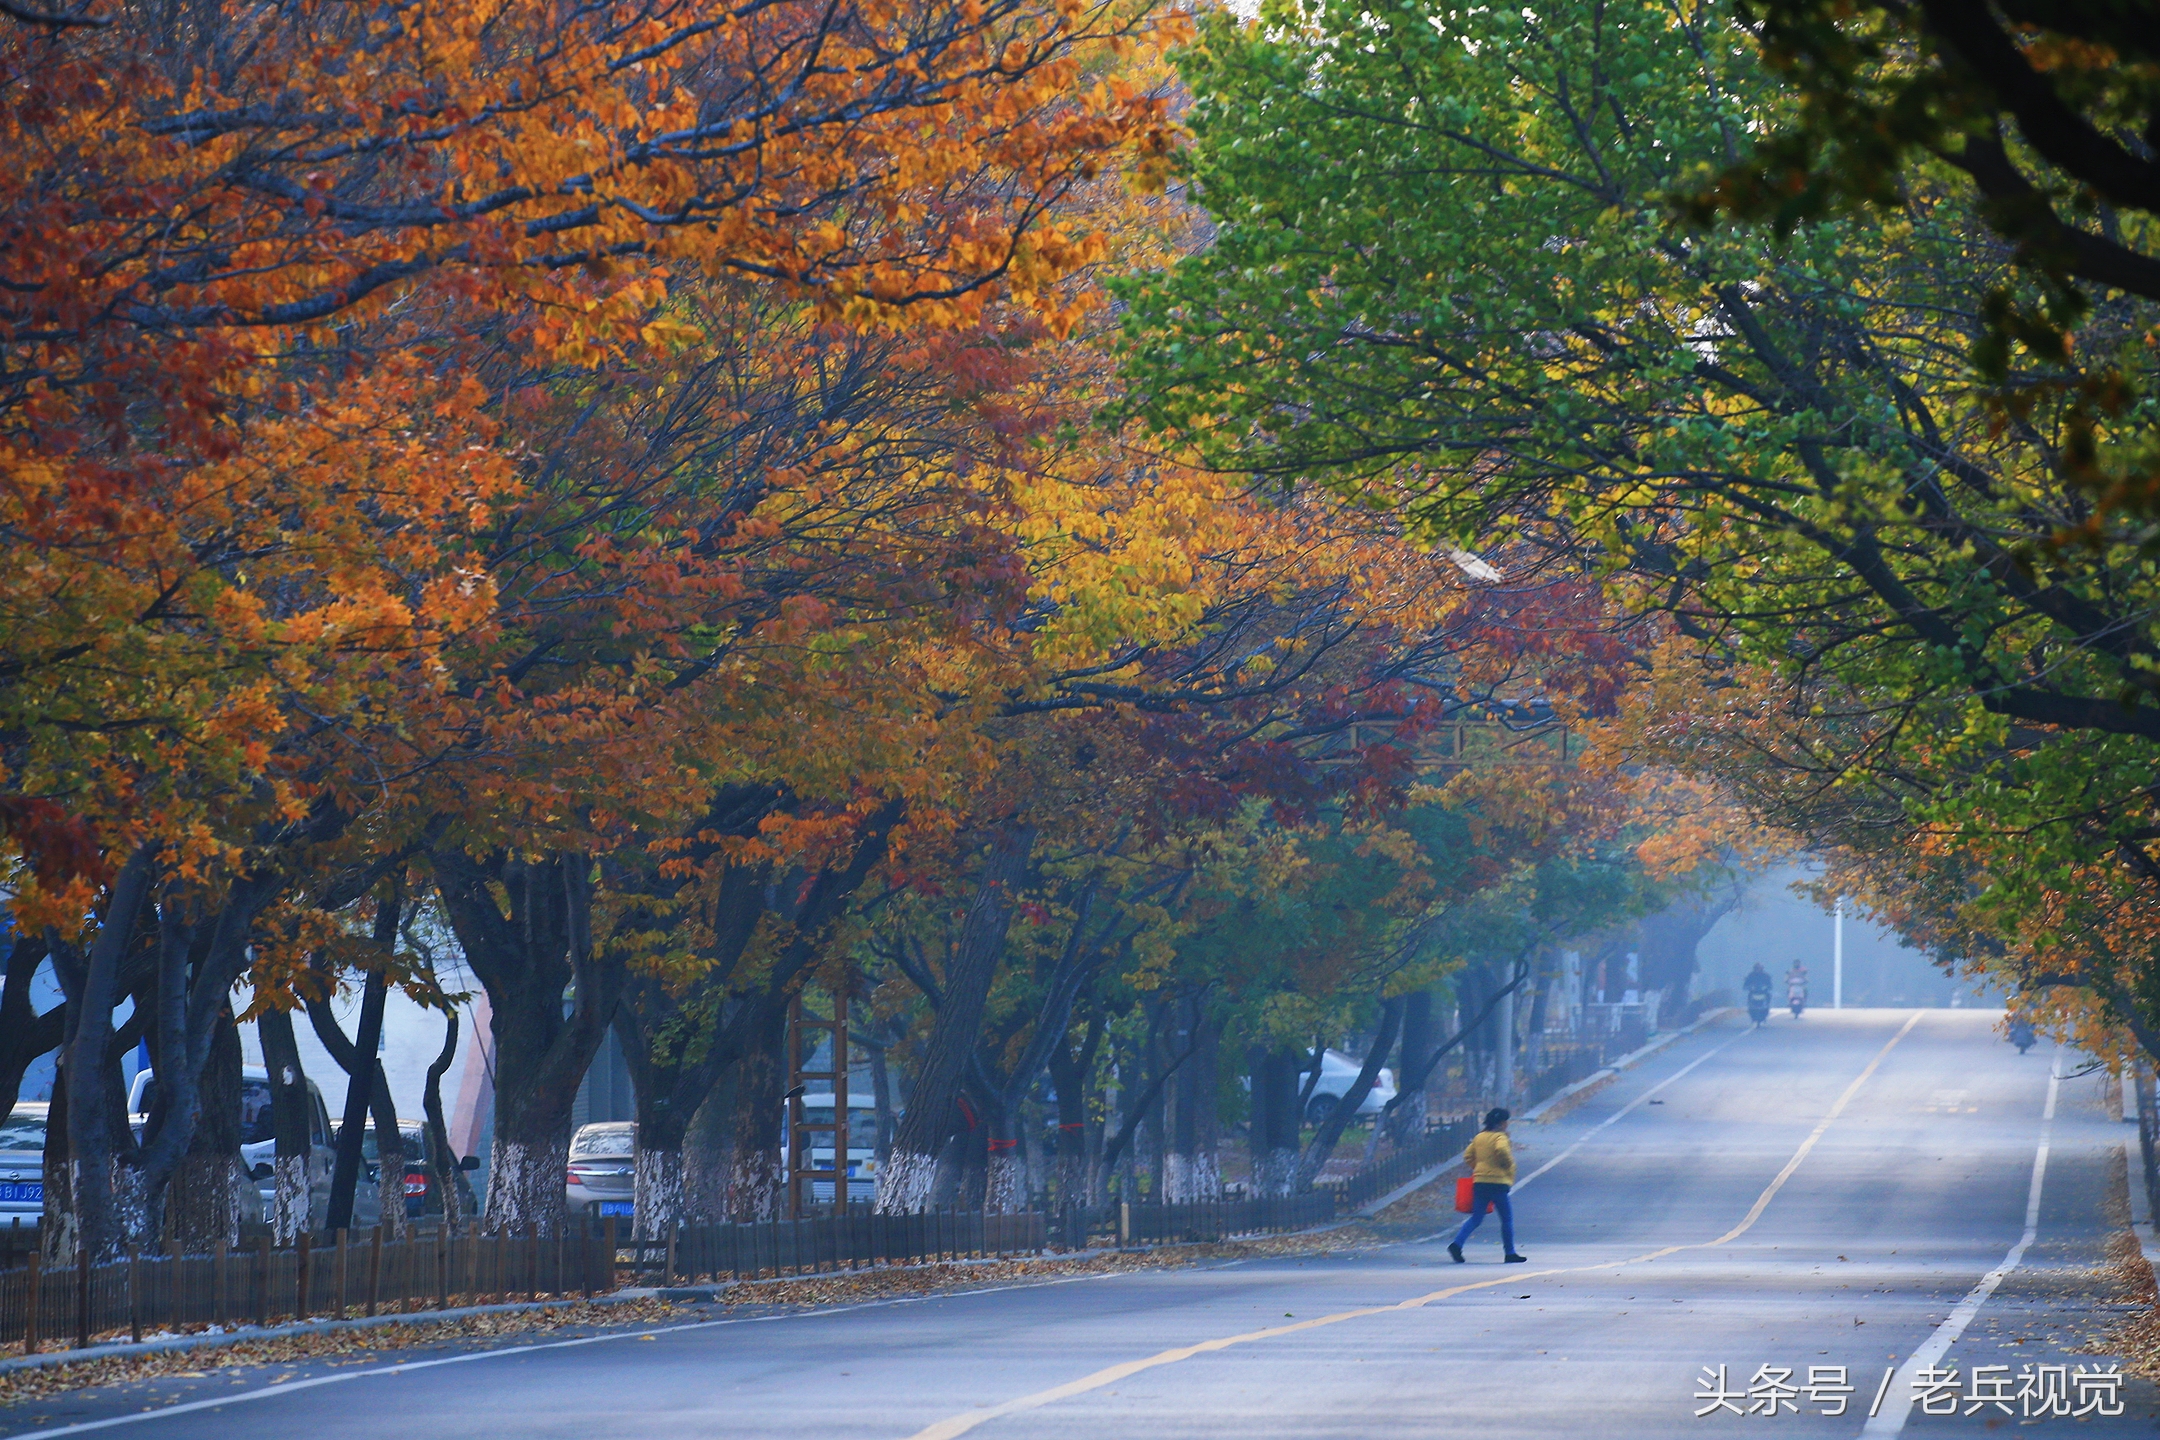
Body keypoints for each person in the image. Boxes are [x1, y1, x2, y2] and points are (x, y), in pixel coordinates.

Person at [1449, 1107, 1526, 1264]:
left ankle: (1457, 1244)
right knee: (1506, 1219)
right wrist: (1507, 1165)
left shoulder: (1480, 1137)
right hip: (1498, 1182)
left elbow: (1468, 1156)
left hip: (1480, 1182)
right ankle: (1510, 1253)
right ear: (1503, 1123)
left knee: (1476, 1218)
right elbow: (1502, 1151)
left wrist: (1478, 1168)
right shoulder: (1500, 1138)